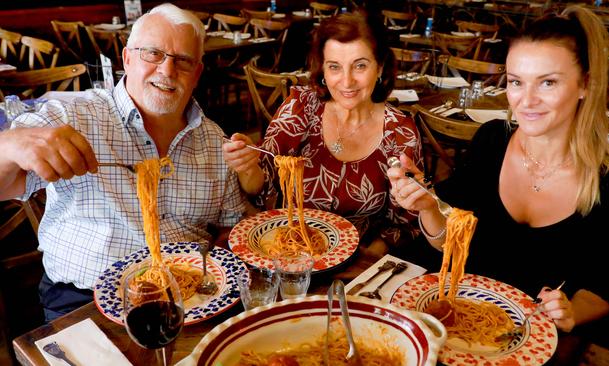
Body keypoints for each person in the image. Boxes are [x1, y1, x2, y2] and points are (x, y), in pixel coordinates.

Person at [388, 5, 609, 363]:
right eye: (516, 81)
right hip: (457, 332)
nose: (526, 101)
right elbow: (448, 239)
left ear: (585, 84)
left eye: (548, 82)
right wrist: (428, 207)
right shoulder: (491, 141)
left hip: (536, 347)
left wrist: (572, 311)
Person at [0, 3, 247, 321]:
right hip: (85, 301)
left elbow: (231, 225)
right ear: (127, 59)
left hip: (191, 299)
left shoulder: (215, 141)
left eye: (183, 61)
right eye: (153, 54)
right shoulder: (74, 116)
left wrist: (217, 264)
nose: (167, 71)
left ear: (197, 73)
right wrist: (9, 145)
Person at [224, 11, 424, 258]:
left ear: (380, 67)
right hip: (282, 252)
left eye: (360, 65)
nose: (347, 81)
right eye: (334, 67)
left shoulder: (400, 132)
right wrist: (246, 165)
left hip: (357, 261)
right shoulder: (300, 108)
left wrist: (365, 261)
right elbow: (258, 187)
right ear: (323, 70)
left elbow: (405, 221)